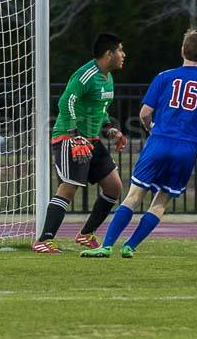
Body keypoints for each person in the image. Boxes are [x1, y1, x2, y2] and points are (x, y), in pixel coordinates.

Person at [81, 30, 197, 259]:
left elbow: (145, 113)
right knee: (161, 201)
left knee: (134, 195)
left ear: (182, 50)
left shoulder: (164, 77)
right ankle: (131, 245)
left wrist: (151, 129)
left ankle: (106, 246)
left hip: (159, 141)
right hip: (186, 148)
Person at [31, 33, 127, 255]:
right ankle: (44, 240)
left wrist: (110, 129)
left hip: (91, 140)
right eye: (120, 50)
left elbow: (99, 110)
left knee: (114, 187)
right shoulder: (86, 75)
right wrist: (75, 135)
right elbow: (67, 101)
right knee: (69, 187)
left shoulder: (107, 77)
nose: (124, 55)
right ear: (108, 54)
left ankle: (85, 234)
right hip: (69, 137)